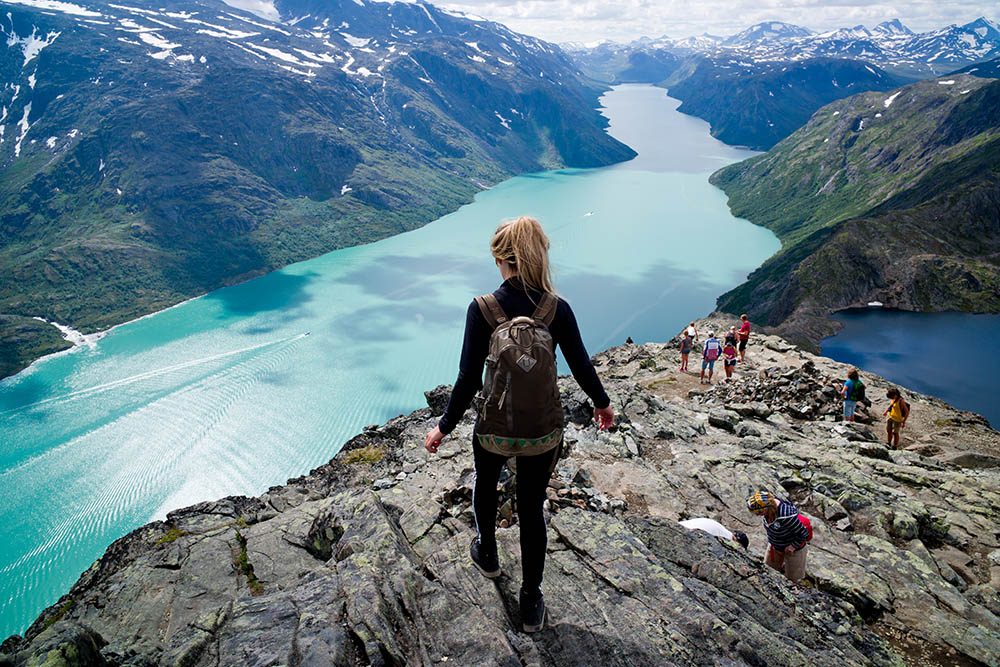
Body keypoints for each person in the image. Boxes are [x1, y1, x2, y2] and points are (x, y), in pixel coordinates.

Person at [424, 216, 614, 634]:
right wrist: (602, 404)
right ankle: (531, 600)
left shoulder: (483, 310)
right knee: (530, 508)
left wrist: (444, 426)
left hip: (493, 428)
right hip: (542, 431)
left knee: (485, 484)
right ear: (538, 255)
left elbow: (468, 377)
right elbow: (580, 364)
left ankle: (488, 555)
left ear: (499, 258)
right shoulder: (556, 309)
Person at [746, 491, 811, 583]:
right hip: (775, 546)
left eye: (758, 512)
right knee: (767, 571)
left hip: (794, 549)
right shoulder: (767, 510)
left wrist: (792, 546)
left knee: (792, 579)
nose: (757, 515)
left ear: (766, 507)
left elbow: (803, 533)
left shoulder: (786, 515)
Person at [679, 517, 749, 549]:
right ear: (735, 539)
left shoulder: (723, 530)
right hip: (686, 530)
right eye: (740, 546)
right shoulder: (726, 538)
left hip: (683, 525)